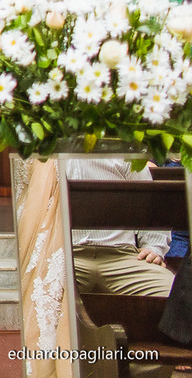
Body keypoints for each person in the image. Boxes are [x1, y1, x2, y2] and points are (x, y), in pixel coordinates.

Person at [67, 158, 174, 378]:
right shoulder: (47, 154)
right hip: (70, 256)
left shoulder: (124, 155)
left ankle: (133, 372)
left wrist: (154, 247)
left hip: (122, 257)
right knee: (44, 296)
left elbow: (151, 206)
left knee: (172, 295)